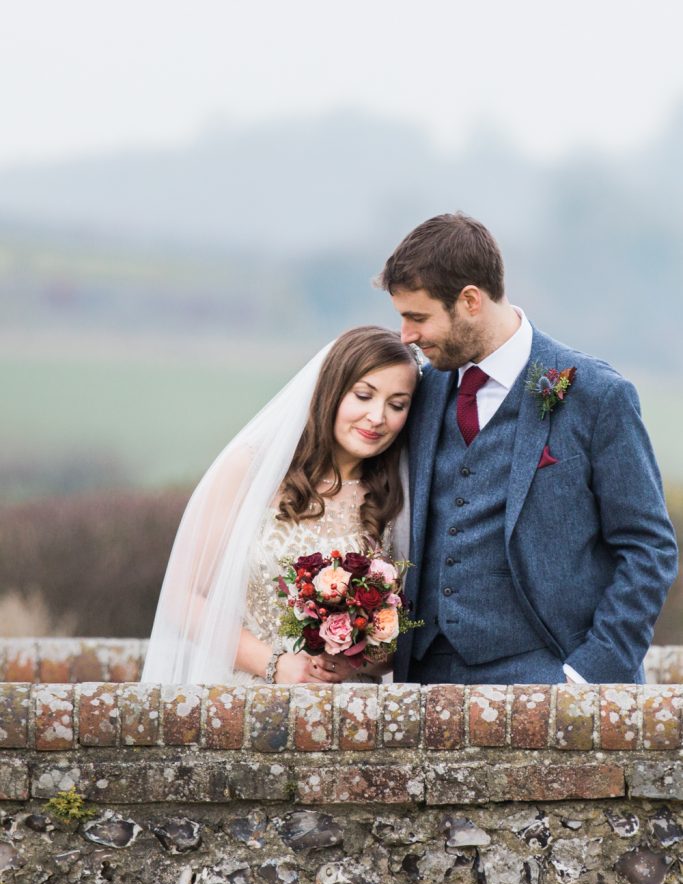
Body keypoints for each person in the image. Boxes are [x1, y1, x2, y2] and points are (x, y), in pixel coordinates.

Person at [377, 212, 678, 685]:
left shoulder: (597, 394)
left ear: (470, 300)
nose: (406, 336)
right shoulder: (423, 390)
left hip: (551, 671)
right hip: (427, 678)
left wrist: (587, 674)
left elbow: (649, 548)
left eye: (418, 317)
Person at [142, 326, 419, 688]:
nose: (377, 417)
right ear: (332, 391)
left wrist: (358, 657)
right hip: (247, 695)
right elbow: (184, 597)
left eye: (396, 404)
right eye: (364, 395)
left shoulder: (395, 498)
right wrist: (274, 664)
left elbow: (397, 639)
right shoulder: (251, 470)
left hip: (349, 707)